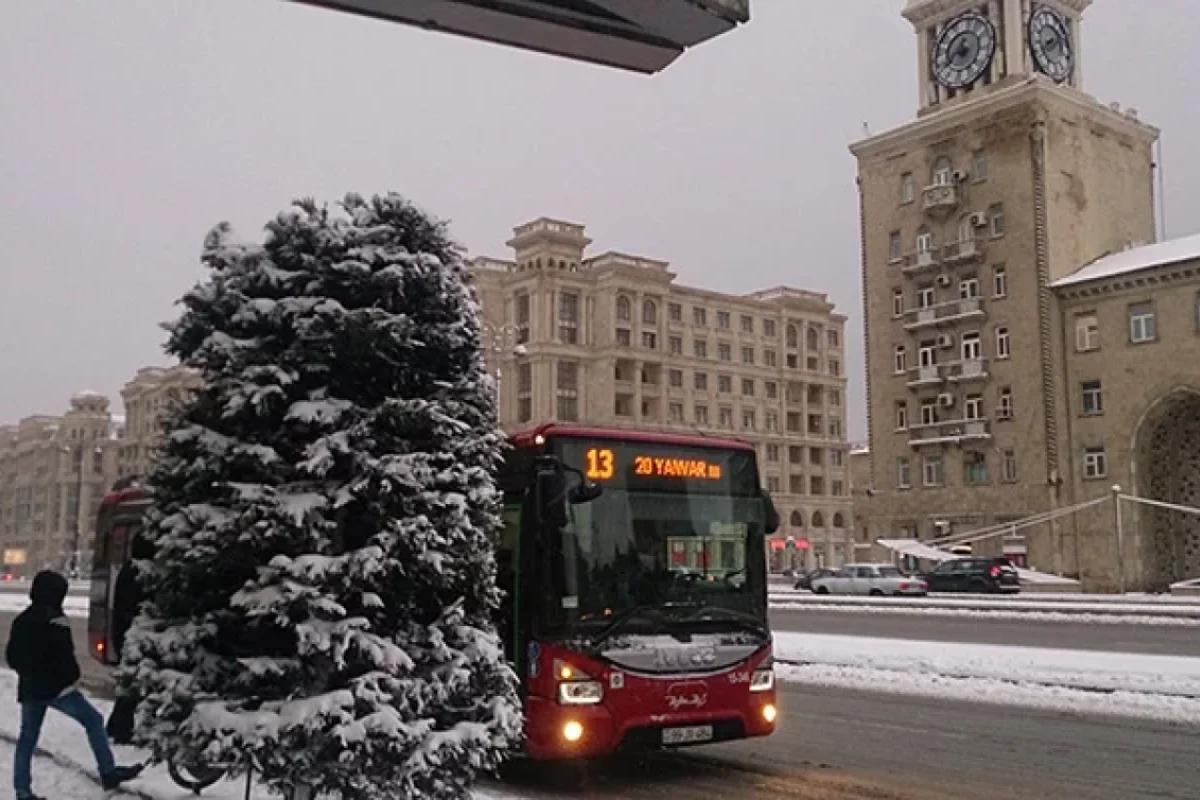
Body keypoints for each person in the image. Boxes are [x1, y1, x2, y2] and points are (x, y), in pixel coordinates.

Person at [6, 570, 143, 800]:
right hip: (57, 689)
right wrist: (70, 678)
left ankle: (22, 790)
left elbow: (13, 657)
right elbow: (65, 658)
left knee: (27, 738)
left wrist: (30, 674)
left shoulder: (22, 619)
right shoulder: (57, 620)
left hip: (30, 688)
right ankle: (108, 772)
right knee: (93, 721)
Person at [106, 531, 154, 744]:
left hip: (125, 635)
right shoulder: (139, 573)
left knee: (129, 685)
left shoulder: (127, 570)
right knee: (132, 686)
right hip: (133, 636)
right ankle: (122, 730)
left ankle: (116, 726)